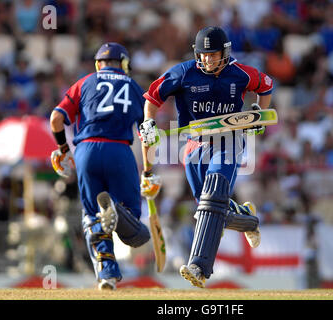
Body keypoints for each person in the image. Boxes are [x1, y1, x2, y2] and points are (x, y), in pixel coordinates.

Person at [139, 26, 273, 288]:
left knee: (212, 199)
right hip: (195, 144)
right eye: (204, 55)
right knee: (209, 209)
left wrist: (258, 113)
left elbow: (266, 86)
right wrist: (148, 122)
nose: (209, 60)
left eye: (214, 55)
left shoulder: (240, 72)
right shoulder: (183, 72)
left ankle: (198, 267)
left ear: (224, 52)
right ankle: (248, 219)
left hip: (229, 139)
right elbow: (152, 98)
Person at [50, 42, 151, 290]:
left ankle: (106, 274)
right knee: (137, 233)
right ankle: (115, 209)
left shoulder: (84, 83)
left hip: (86, 152)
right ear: (124, 65)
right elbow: (147, 133)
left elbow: (56, 119)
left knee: (92, 217)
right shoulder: (134, 87)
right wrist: (149, 171)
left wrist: (64, 149)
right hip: (119, 150)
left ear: (98, 64)